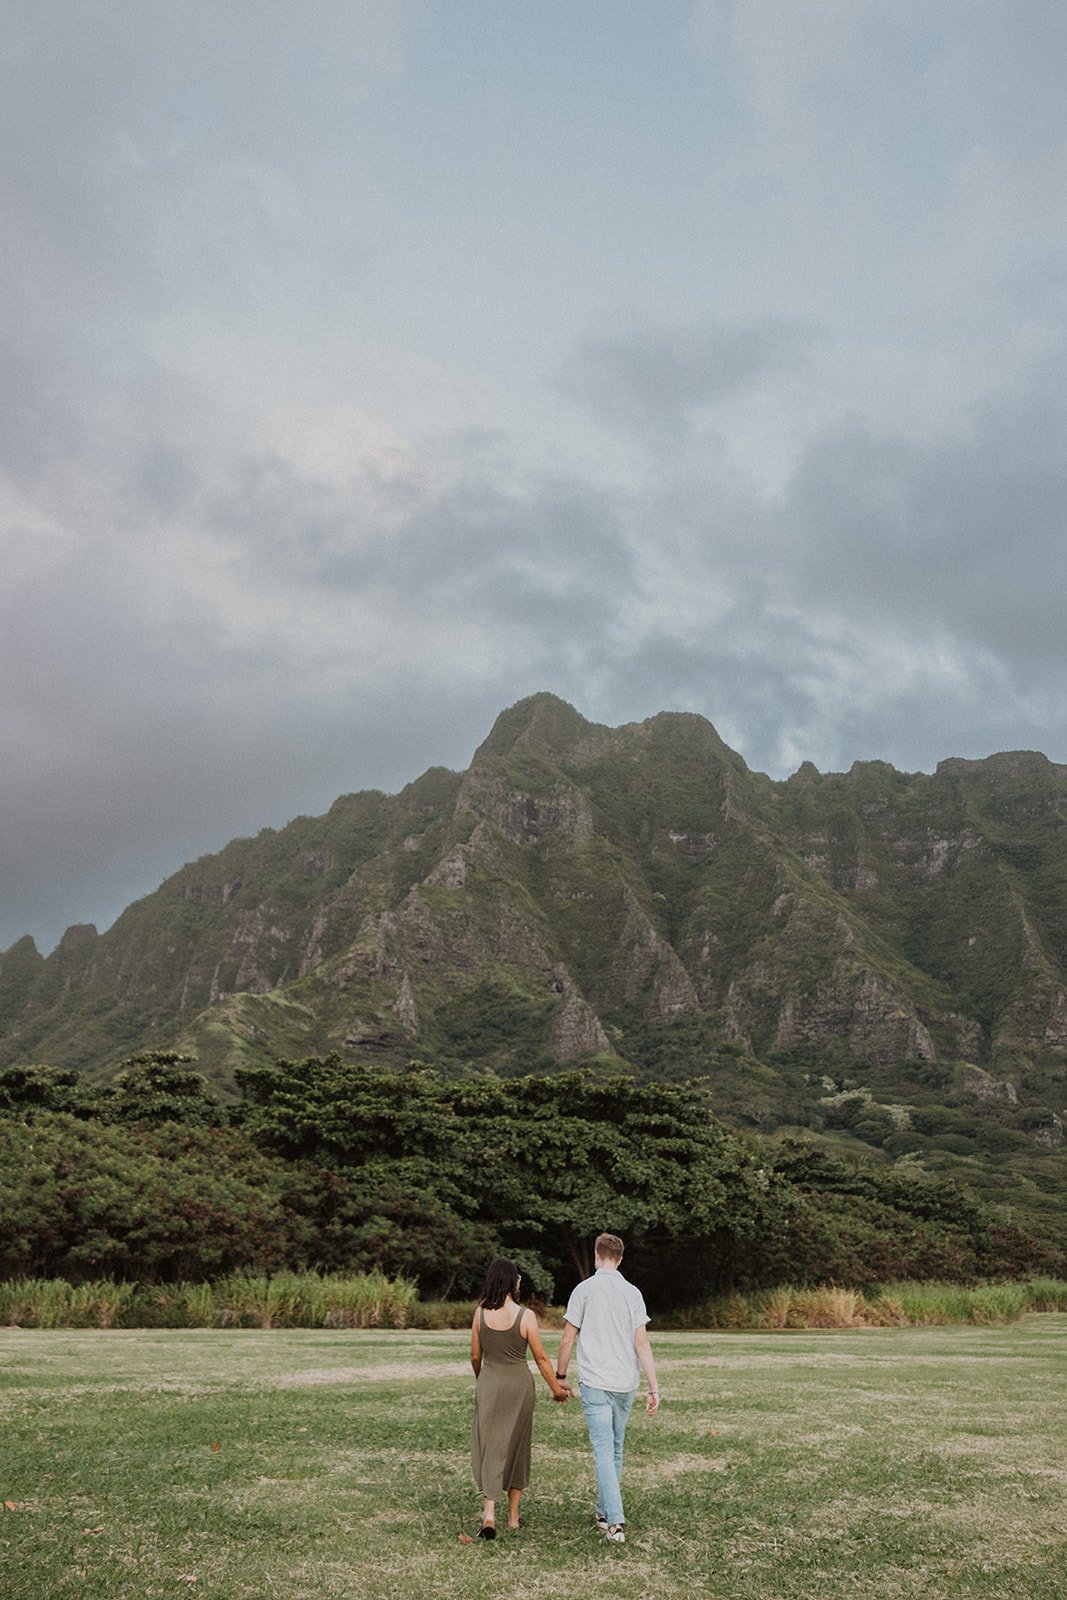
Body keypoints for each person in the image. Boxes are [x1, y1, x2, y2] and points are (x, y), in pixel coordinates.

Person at [553, 1231, 659, 1544]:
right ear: (620, 1259)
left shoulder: (583, 1290)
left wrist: (560, 1375)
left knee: (604, 1448)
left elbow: (568, 1337)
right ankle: (603, 1511)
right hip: (625, 1382)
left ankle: (614, 1521)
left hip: (596, 1382)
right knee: (613, 1448)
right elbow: (642, 1341)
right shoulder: (633, 1293)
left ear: (598, 1255)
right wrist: (654, 1386)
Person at [470, 1257, 570, 1537]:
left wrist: (483, 1380)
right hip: (519, 1384)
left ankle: (489, 1515)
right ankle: (513, 1517)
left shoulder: (479, 1315)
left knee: (491, 1446)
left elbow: (475, 1356)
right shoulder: (525, 1316)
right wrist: (557, 1389)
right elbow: (540, 1357)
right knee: (517, 1446)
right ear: (513, 1282)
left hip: (489, 1381)